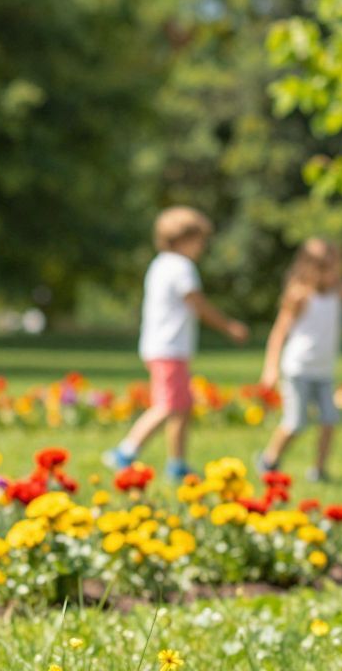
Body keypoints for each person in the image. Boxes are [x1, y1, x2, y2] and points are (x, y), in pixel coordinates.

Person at [103, 207, 250, 482]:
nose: (202, 247)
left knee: (182, 406)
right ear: (182, 239)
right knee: (168, 406)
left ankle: (177, 463)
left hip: (162, 346)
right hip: (168, 348)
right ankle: (124, 452)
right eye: (199, 240)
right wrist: (228, 326)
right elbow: (198, 304)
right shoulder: (181, 267)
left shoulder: (160, 264)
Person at [254, 236, 342, 481]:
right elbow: (278, 334)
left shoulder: (337, 292)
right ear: (308, 267)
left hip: (323, 371)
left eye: (334, 267)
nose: (330, 274)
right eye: (324, 268)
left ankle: (319, 470)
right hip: (298, 368)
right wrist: (270, 368)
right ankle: (269, 460)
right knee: (296, 422)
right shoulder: (299, 296)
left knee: (329, 419)